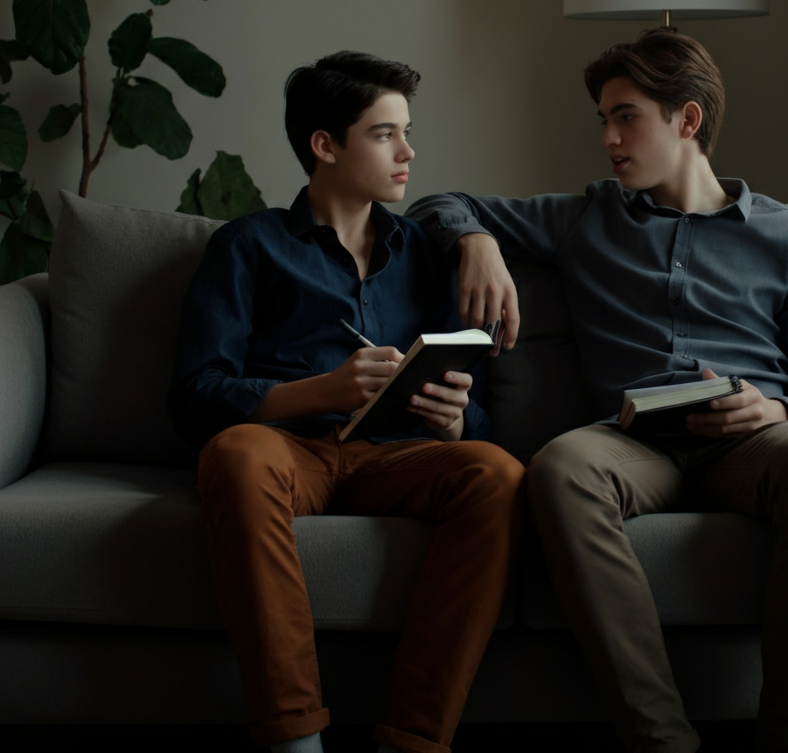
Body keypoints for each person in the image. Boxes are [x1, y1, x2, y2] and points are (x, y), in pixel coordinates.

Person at [407, 30, 788, 753]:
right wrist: (478, 242)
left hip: (753, 440)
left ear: (687, 121)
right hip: (634, 443)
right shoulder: (587, 215)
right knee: (560, 469)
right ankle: (662, 741)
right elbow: (437, 203)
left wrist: (778, 409)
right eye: (603, 120)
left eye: (626, 117)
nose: (609, 138)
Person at [170, 51, 525, 753]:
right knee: (236, 455)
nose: (408, 152)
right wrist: (323, 391)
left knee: (498, 474)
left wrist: (458, 419)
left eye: (407, 132)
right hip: (289, 450)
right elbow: (194, 397)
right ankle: (294, 736)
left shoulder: (427, 254)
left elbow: (477, 409)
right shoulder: (247, 246)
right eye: (385, 134)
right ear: (325, 146)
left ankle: (414, 740)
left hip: (398, 453)